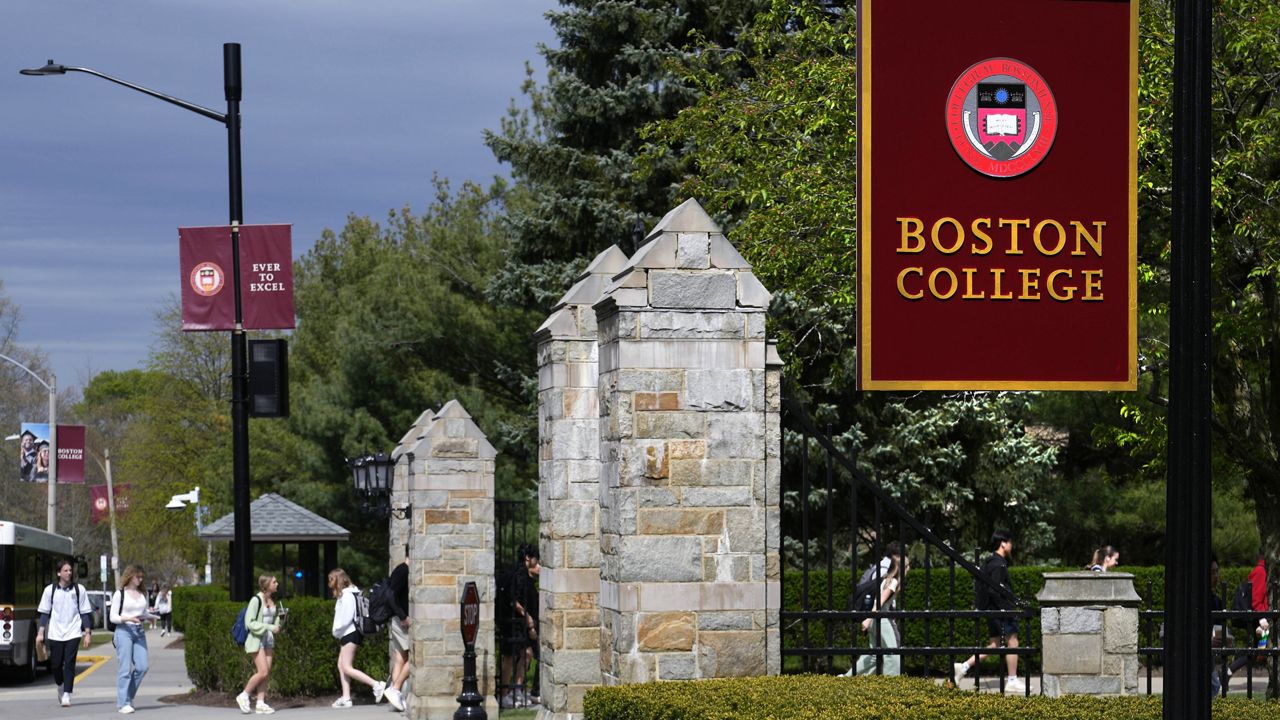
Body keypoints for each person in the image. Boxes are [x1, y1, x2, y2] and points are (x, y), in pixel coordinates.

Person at [953, 530, 1024, 693]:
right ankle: (1012, 680)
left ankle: (963, 667)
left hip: (992, 610)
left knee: (995, 644)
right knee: (1013, 641)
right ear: (1003, 543)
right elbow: (995, 590)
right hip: (1000, 611)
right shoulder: (998, 564)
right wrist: (1007, 608)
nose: (1012, 546)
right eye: (1010, 543)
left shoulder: (990, 562)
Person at [36, 558, 93, 707]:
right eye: (65, 570)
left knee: (69, 663)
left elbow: (85, 613)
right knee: (55, 664)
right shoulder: (50, 590)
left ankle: (67, 693)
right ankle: (60, 685)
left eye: (70, 570)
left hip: (73, 632)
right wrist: (40, 632)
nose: (69, 572)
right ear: (59, 573)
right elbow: (44, 613)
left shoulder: (79, 589)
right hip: (55, 633)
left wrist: (87, 633)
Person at [327, 568, 386, 708]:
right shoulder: (347, 594)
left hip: (350, 633)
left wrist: (336, 630)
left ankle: (377, 685)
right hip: (347, 633)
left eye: (331, 579)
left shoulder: (347, 596)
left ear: (338, 580)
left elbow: (347, 618)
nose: (329, 583)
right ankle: (346, 698)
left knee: (346, 667)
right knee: (341, 665)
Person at [853, 555, 908, 676]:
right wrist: (869, 619)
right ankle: (891, 685)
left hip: (876, 620)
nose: (908, 570)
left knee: (873, 656)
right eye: (907, 567)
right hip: (881, 620)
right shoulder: (893, 582)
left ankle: (847, 677)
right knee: (892, 654)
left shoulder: (885, 579)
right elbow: (879, 602)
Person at [237, 575, 283, 715]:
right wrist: (269, 627)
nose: (277, 583)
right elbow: (250, 623)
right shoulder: (256, 600)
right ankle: (244, 695)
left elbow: (274, 623)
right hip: (256, 640)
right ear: (266, 584)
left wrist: (280, 621)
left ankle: (261, 703)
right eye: (274, 582)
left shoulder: (272, 600)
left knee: (266, 673)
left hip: (268, 639)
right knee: (262, 671)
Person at [111, 564, 153, 714]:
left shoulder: (143, 594)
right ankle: (123, 703)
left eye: (142, 577)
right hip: (124, 631)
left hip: (139, 631)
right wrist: (129, 618)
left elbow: (144, 611)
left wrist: (150, 615)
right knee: (125, 669)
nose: (140, 580)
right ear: (130, 576)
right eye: (138, 576)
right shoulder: (120, 594)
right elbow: (113, 617)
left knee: (142, 666)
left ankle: (128, 695)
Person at [1226, 549, 1269, 683]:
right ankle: (1227, 672)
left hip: (1259, 619)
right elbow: (1256, 599)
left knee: (1256, 651)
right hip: (1260, 619)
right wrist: (1262, 618)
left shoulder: (1261, 570)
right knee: (1257, 651)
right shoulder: (1261, 571)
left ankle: (1227, 672)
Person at [384, 547, 411, 712]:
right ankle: (396, 689)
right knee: (414, 658)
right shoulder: (403, 571)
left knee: (400, 658)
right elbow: (391, 595)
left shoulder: (401, 570)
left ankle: (396, 699)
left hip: (397, 620)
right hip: (401, 621)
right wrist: (403, 616)